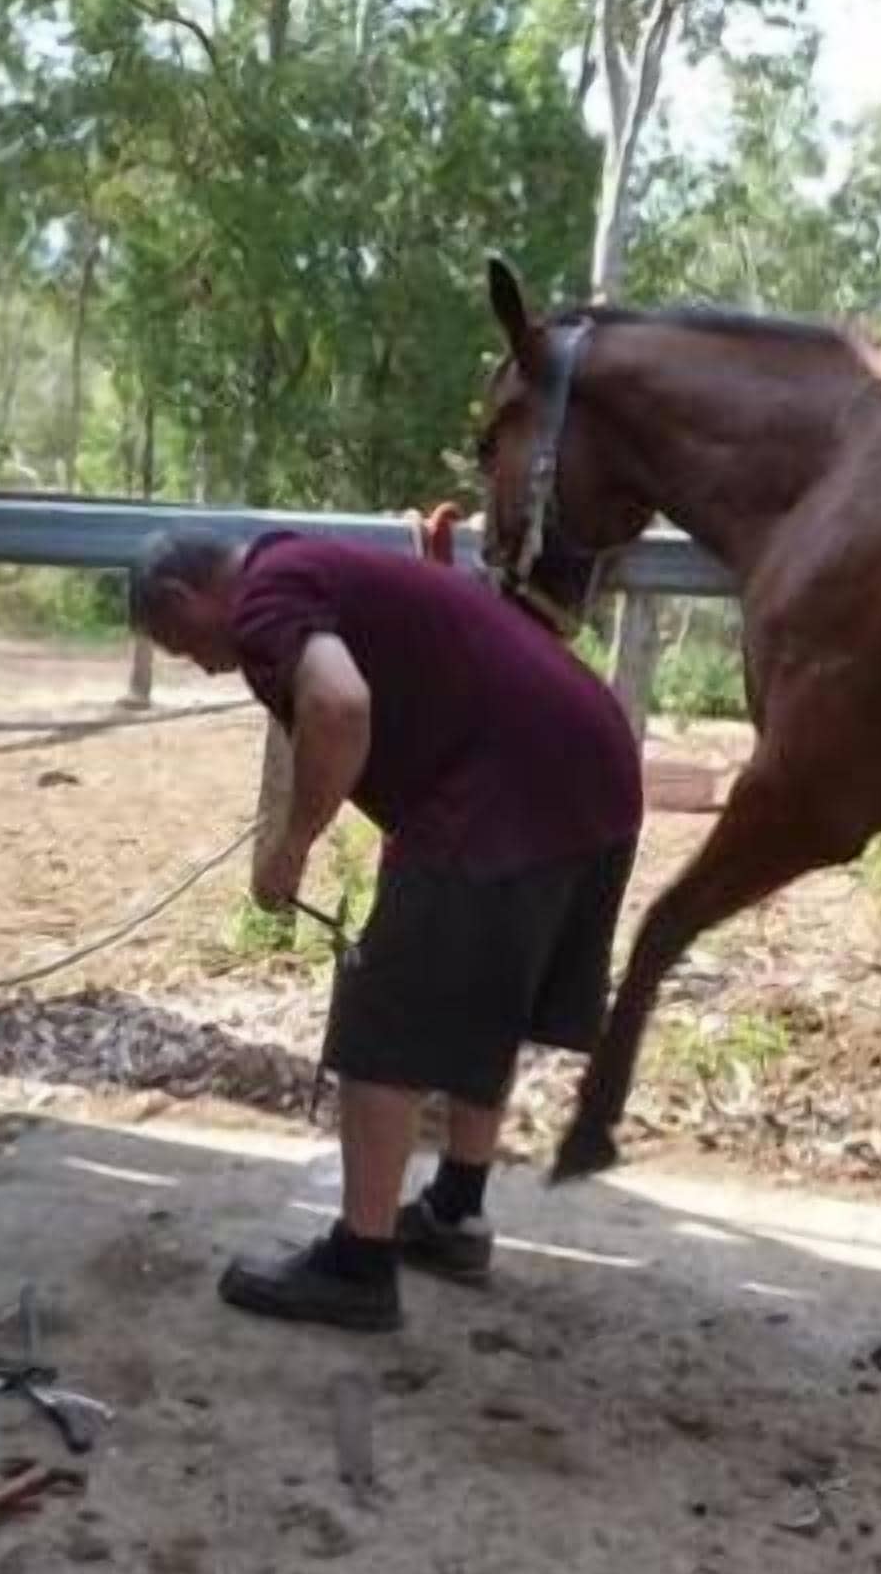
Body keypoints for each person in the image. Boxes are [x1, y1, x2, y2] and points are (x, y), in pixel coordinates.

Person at [130, 528, 644, 1331]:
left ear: (181, 599)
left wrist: (291, 844)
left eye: (183, 645)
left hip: (508, 783)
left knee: (381, 1018)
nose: (204, 666)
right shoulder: (313, 566)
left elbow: (339, 704)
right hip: (593, 763)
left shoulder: (268, 593)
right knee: (489, 1002)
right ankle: (454, 1214)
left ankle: (359, 1264)